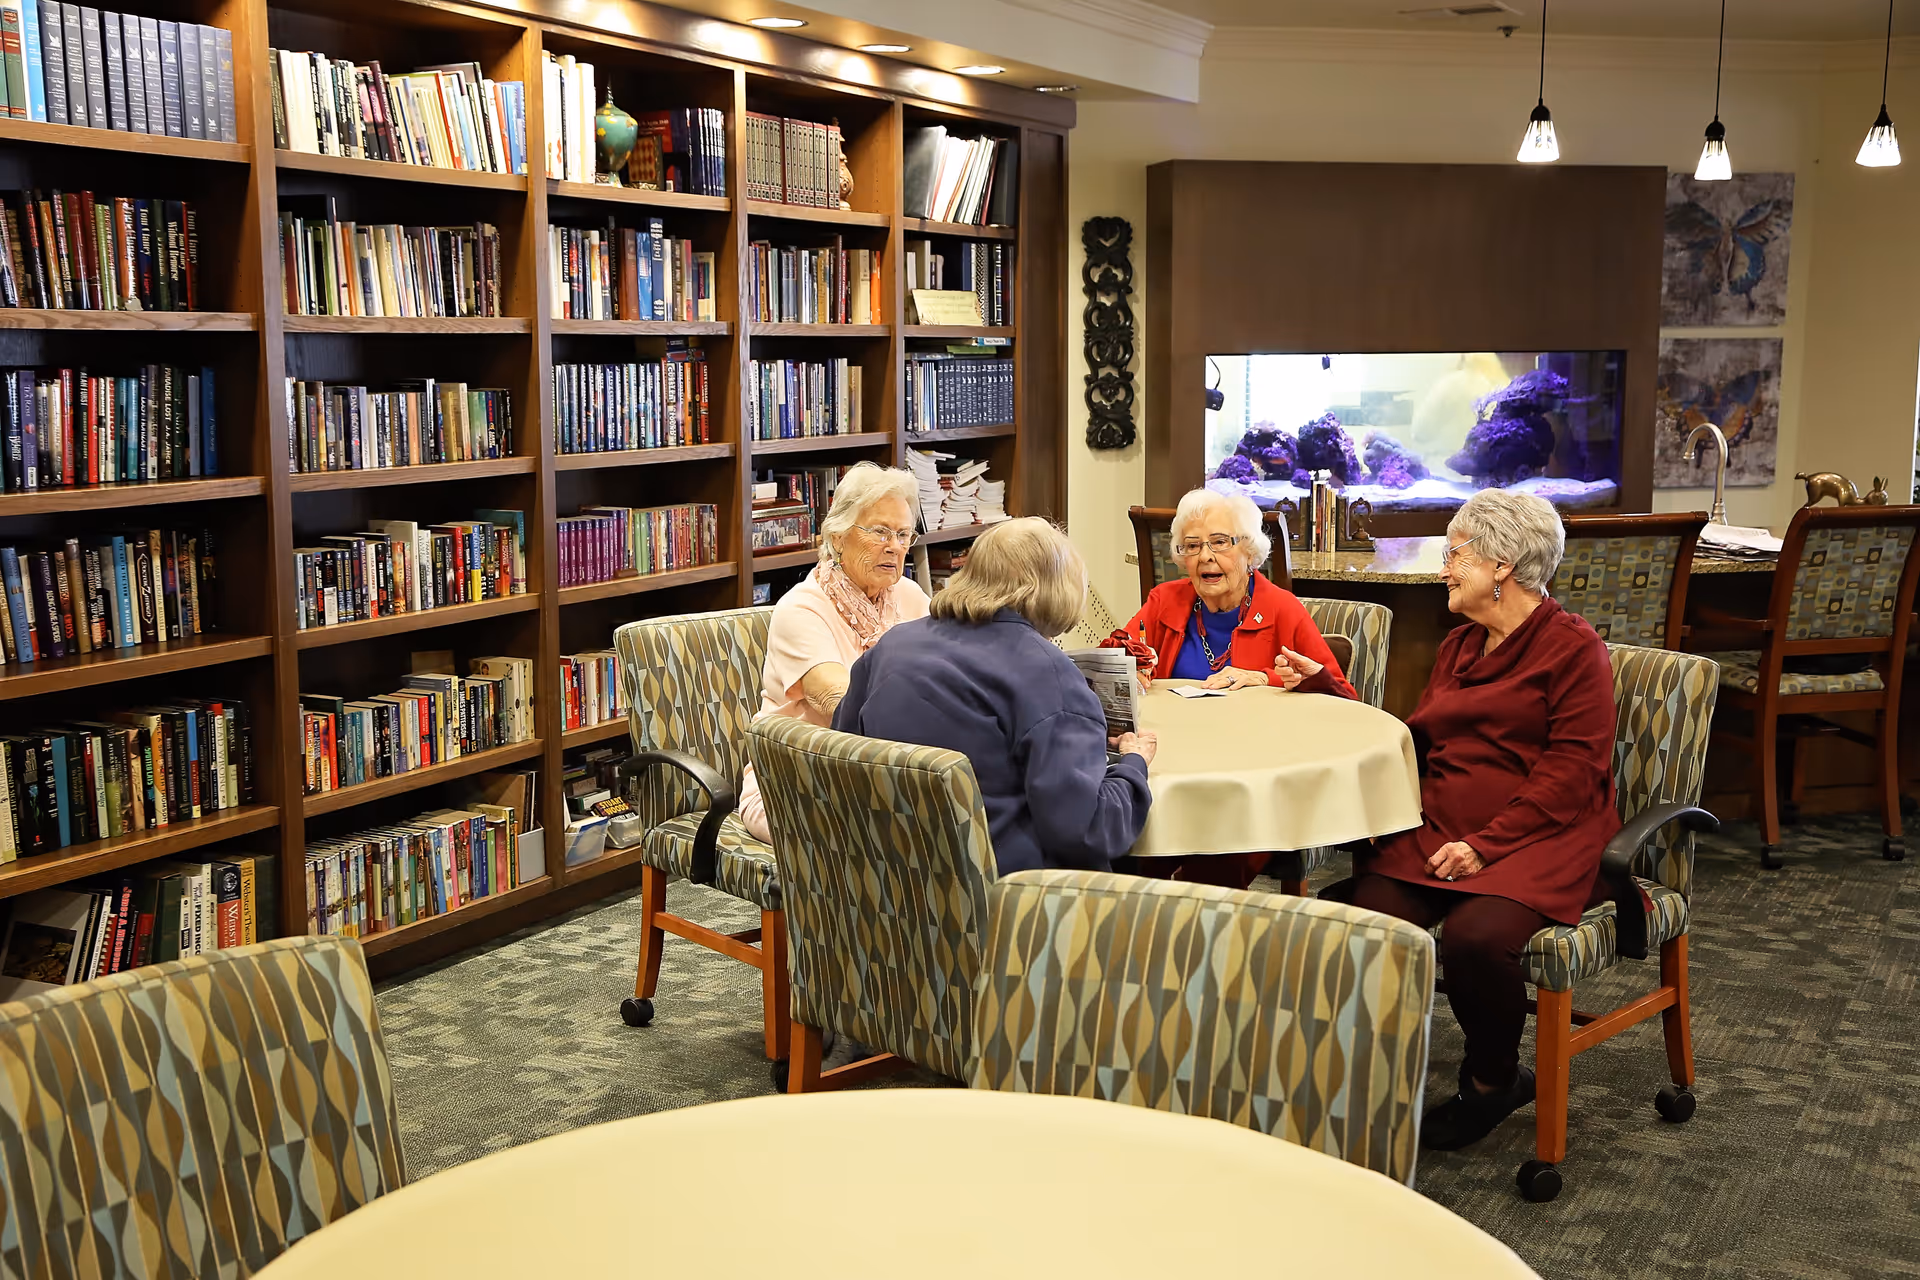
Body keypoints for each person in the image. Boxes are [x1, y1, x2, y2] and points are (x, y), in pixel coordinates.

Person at [1349, 488, 1621, 1152]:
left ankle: (1494, 1080)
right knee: (1363, 920)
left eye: (1454, 553)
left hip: (1539, 830)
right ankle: (1366, 1077)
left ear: (1502, 564)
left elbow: (1573, 771)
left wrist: (1485, 844)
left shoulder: (1573, 649)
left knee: (1475, 939)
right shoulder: (1460, 646)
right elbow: (1422, 739)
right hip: (1447, 821)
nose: (1445, 567)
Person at [832, 517, 1156, 875]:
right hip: (1008, 905)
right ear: (1055, 587)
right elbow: (1089, 831)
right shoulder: (1048, 674)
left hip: (887, 887)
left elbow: (839, 752)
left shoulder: (891, 646)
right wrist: (1132, 765)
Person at [736, 463, 930, 843]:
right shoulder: (803, 608)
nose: (895, 546)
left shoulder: (910, 596)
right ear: (838, 536)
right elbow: (840, 705)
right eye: (879, 531)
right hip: (798, 780)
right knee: (898, 836)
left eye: (904, 534)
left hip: (887, 773)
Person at [1119, 488, 1356, 699]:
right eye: (1192, 545)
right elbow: (1109, 662)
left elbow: (1344, 697)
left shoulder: (1282, 608)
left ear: (1249, 551)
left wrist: (1266, 679)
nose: (1204, 557)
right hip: (1175, 739)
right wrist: (1131, 673)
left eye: (1220, 542)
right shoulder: (1165, 600)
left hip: (1259, 742)